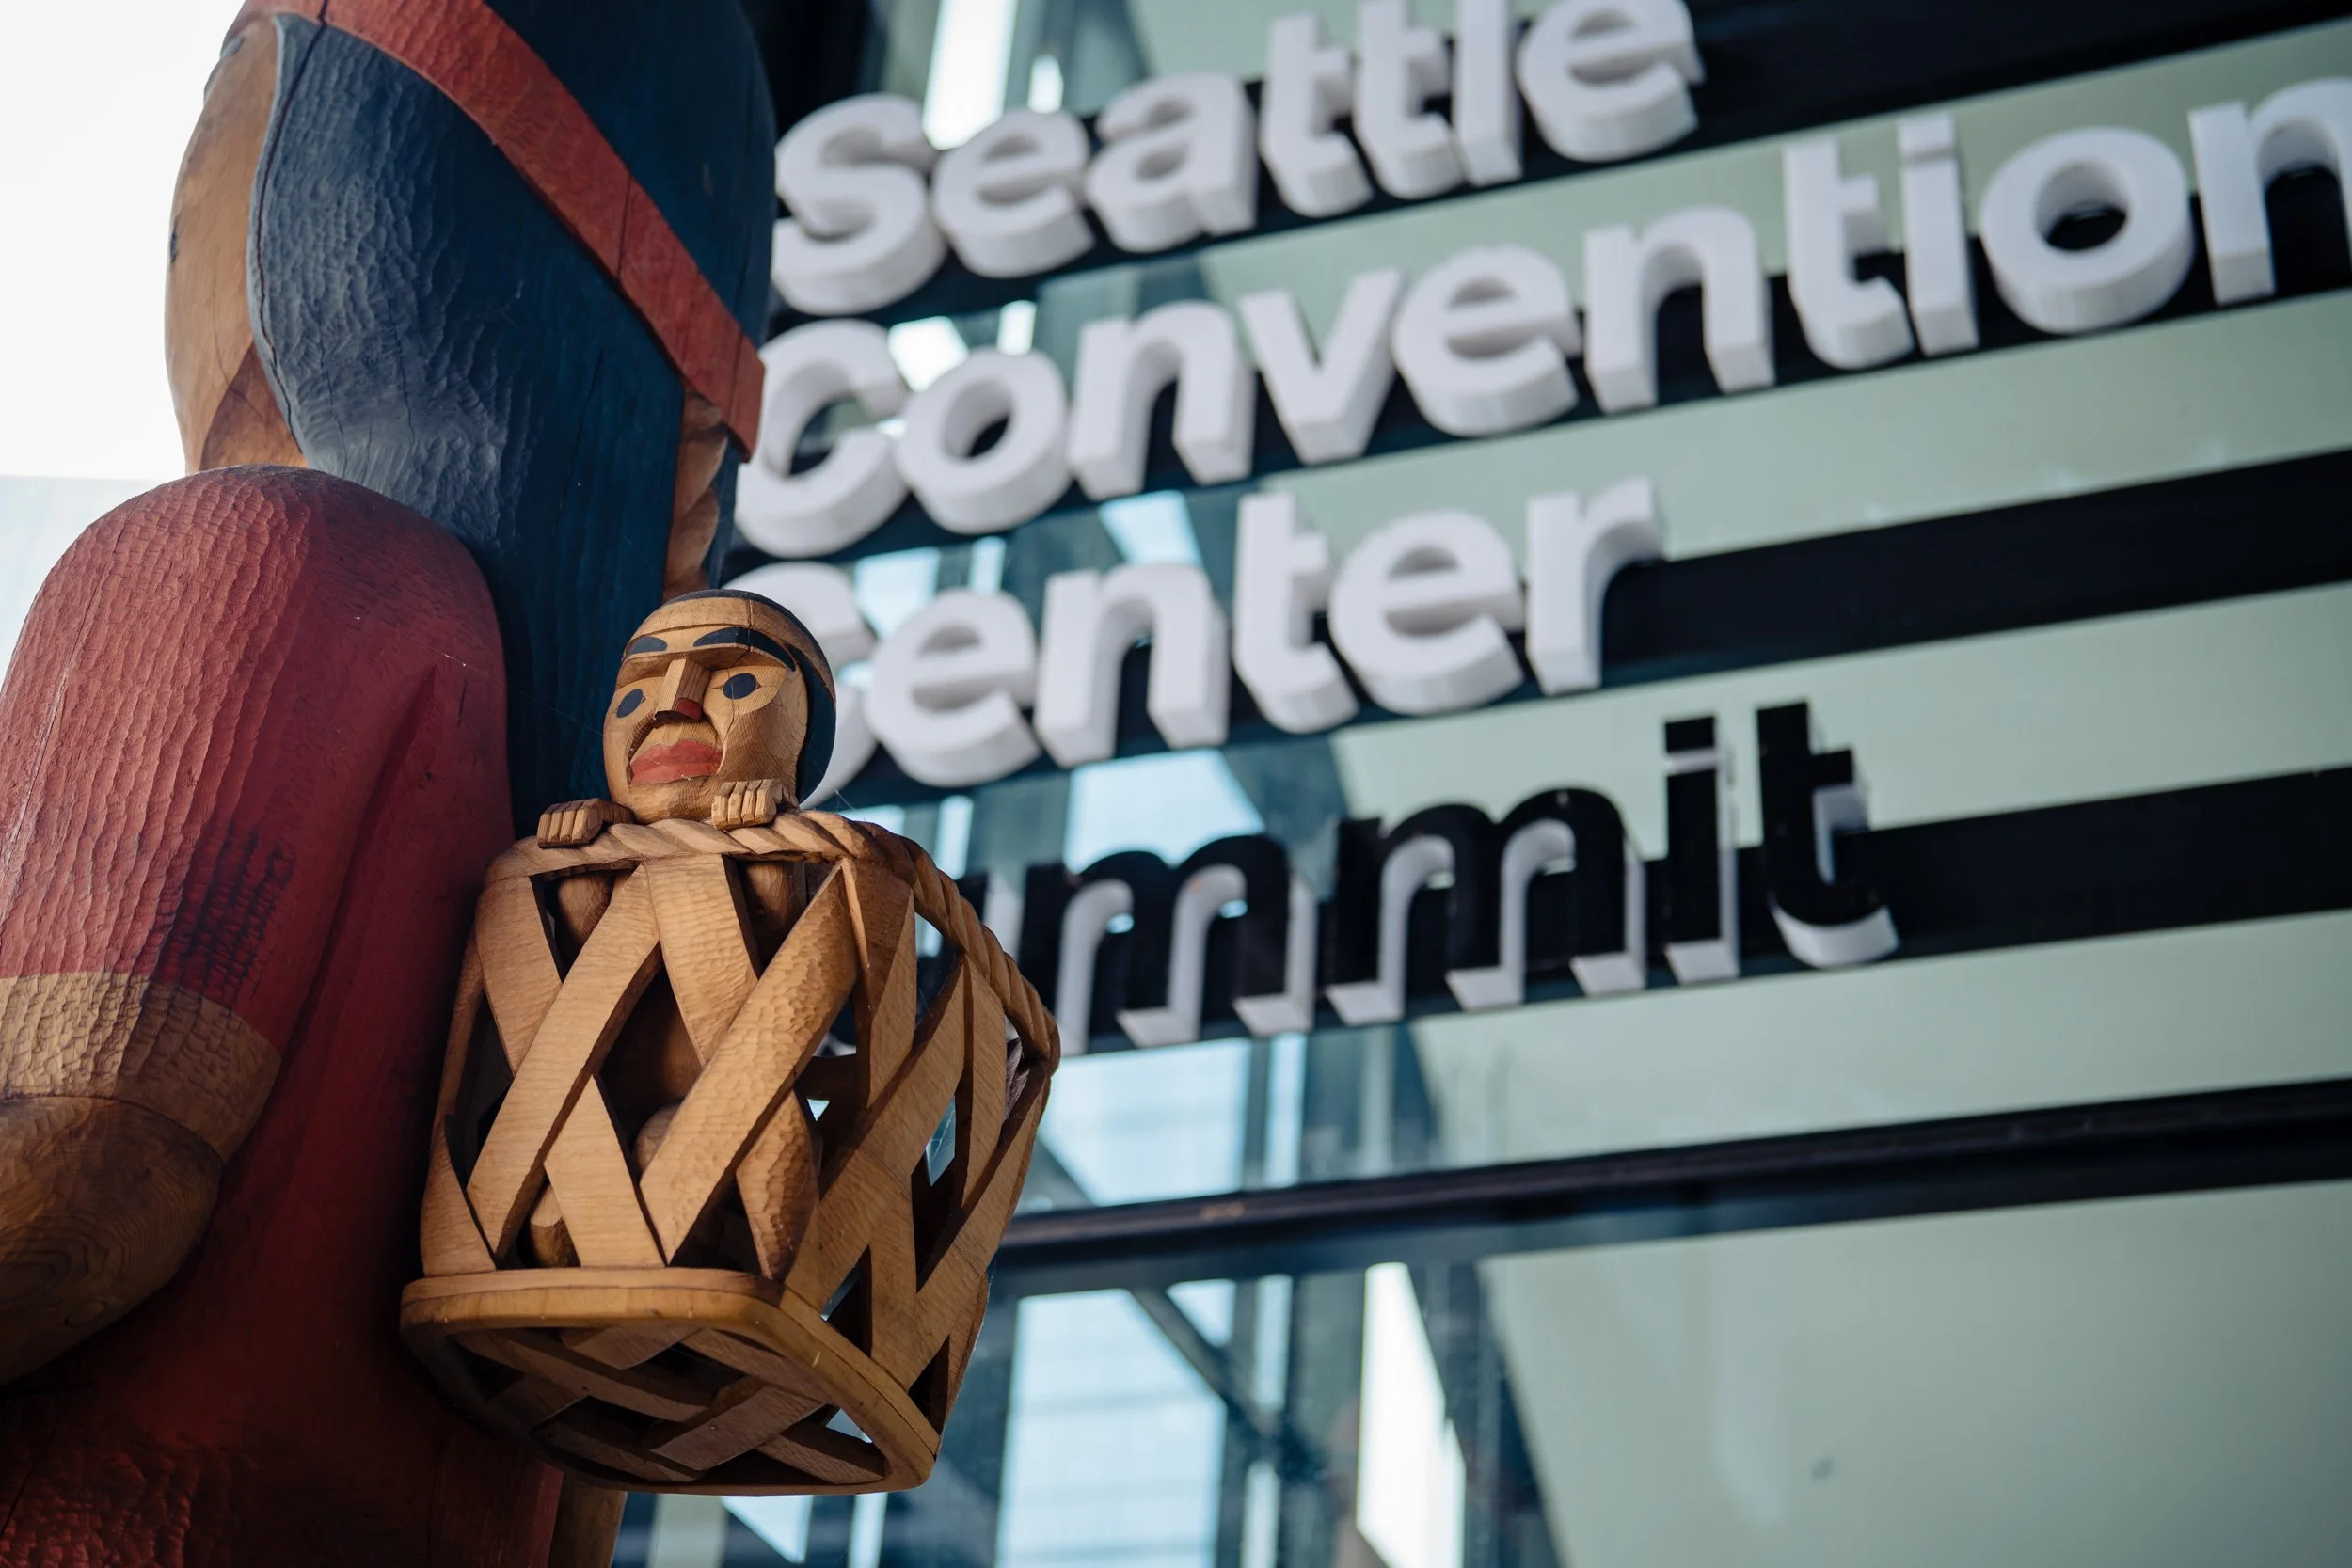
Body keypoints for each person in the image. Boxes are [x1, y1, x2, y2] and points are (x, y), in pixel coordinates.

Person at [0, 2, 775, 1562]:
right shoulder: (617, 905)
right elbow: (580, 1500)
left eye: (231, 100)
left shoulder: (243, 557)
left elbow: (87, 1164)